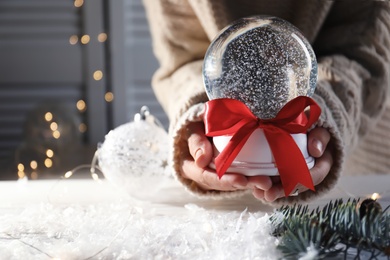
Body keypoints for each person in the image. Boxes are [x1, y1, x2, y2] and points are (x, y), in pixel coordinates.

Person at [142, 0, 390, 204]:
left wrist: (329, 110)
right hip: (222, 157)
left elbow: (364, 46)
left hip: (357, 159)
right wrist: (200, 108)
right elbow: (182, 54)